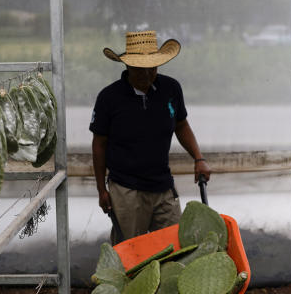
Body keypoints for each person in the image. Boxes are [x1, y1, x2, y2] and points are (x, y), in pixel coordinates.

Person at [90, 30, 211, 244]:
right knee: (130, 251)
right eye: (140, 70)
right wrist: (102, 189)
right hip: (126, 189)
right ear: (127, 67)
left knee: (174, 246)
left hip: (162, 185)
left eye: (152, 69)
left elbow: (181, 125)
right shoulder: (109, 98)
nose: (147, 76)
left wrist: (198, 159)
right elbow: (99, 144)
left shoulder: (170, 89)